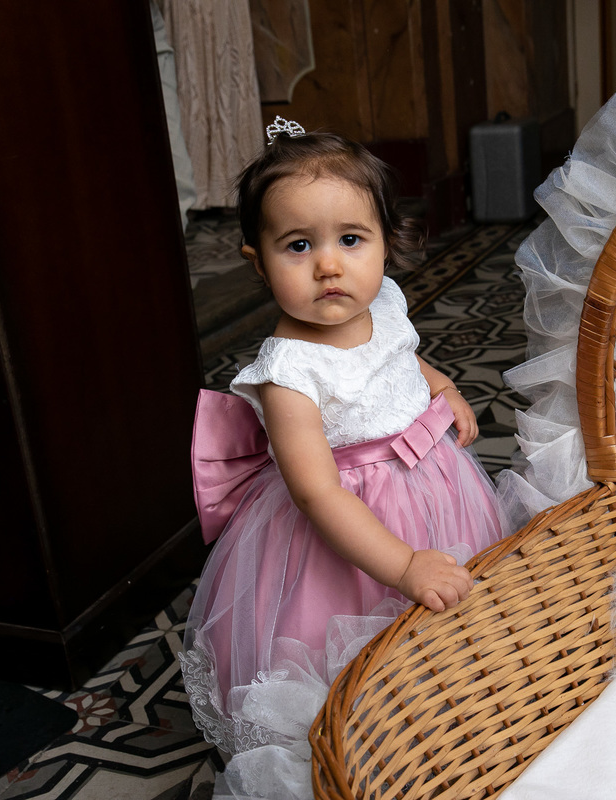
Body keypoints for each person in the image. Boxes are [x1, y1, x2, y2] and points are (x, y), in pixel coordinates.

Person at [178, 117, 507, 799]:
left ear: (387, 243)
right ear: (257, 261)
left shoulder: (382, 301)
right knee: (349, 653)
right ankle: (359, 743)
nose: (329, 264)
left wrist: (440, 388)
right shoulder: (288, 372)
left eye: (351, 240)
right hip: (348, 525)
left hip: (430, 484)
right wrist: (402, 564)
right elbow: (318, 495)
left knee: (448, 615)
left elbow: (399, 354)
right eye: (298, 246)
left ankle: (442, 711)